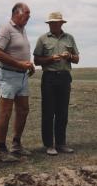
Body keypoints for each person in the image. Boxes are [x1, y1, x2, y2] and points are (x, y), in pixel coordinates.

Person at [0, 2, 35, 162]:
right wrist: (19, 64)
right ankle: (1, 149)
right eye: (27, 13)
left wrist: (28, 66)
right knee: (6, 112)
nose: (29, 17)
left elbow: (20, 53)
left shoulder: (22, 30)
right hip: (8, 75)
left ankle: (16, 145)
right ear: (17, 13)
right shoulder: (6, 28)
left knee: (23, 109)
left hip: (22, 76)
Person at [33, 11, 79, 155]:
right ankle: (49, 145)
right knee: (48, 112)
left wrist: (69, 56)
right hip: (49, 78)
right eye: (51, 23)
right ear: (49, 24)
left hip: (65, 77)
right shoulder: (42, 39)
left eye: (56, 23)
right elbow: (36, 60)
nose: (53, 25)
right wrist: (50, 59)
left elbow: (77, 59)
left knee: (62, 112)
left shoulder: (69, 38)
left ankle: (61, 143)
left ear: (61, 23)